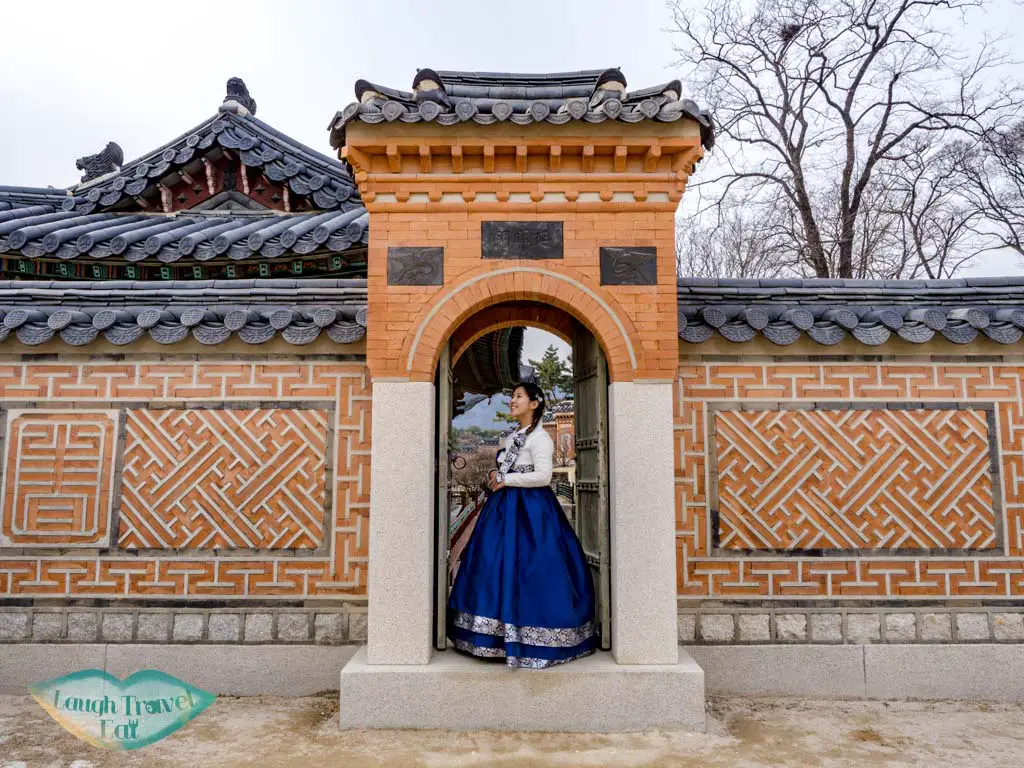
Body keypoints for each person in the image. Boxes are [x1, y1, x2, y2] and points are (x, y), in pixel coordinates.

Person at [446, 381, 598, 668]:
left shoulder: (541, 438)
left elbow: (543, 476)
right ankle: (491, 637)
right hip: (503, 509)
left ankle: (535, 637)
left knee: (534, 566)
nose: (512, 401)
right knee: (492, 563)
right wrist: (496, 473)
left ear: (534, 403)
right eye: (512, 396)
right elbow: (507, 468)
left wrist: (507, 480)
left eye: (518, 397)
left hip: (531, 511)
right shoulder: (515, 435)